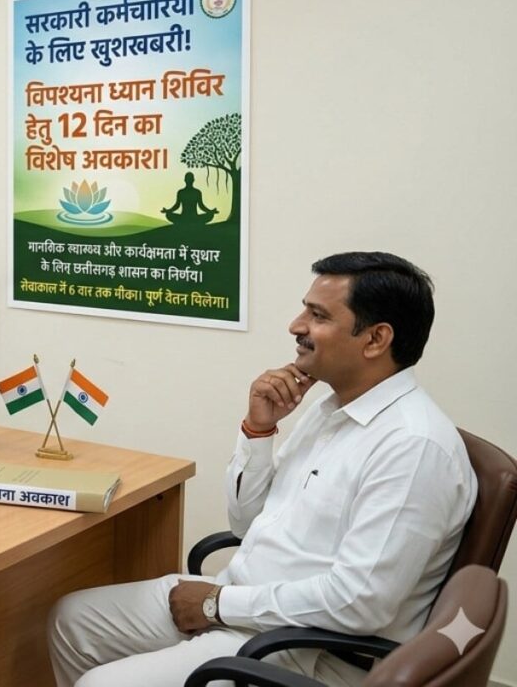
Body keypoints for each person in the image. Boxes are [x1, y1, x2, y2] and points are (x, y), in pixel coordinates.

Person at [48, 251, 476, 687]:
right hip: (247, 604)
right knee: (73, 621)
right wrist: (259, 430)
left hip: (307, 648)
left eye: (318, 316)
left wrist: (217, 605)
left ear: (375, 339)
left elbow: (360, 604)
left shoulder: (413, 447)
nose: (295, 326)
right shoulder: (329, 410)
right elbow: (247, 522)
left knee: (99, 684)